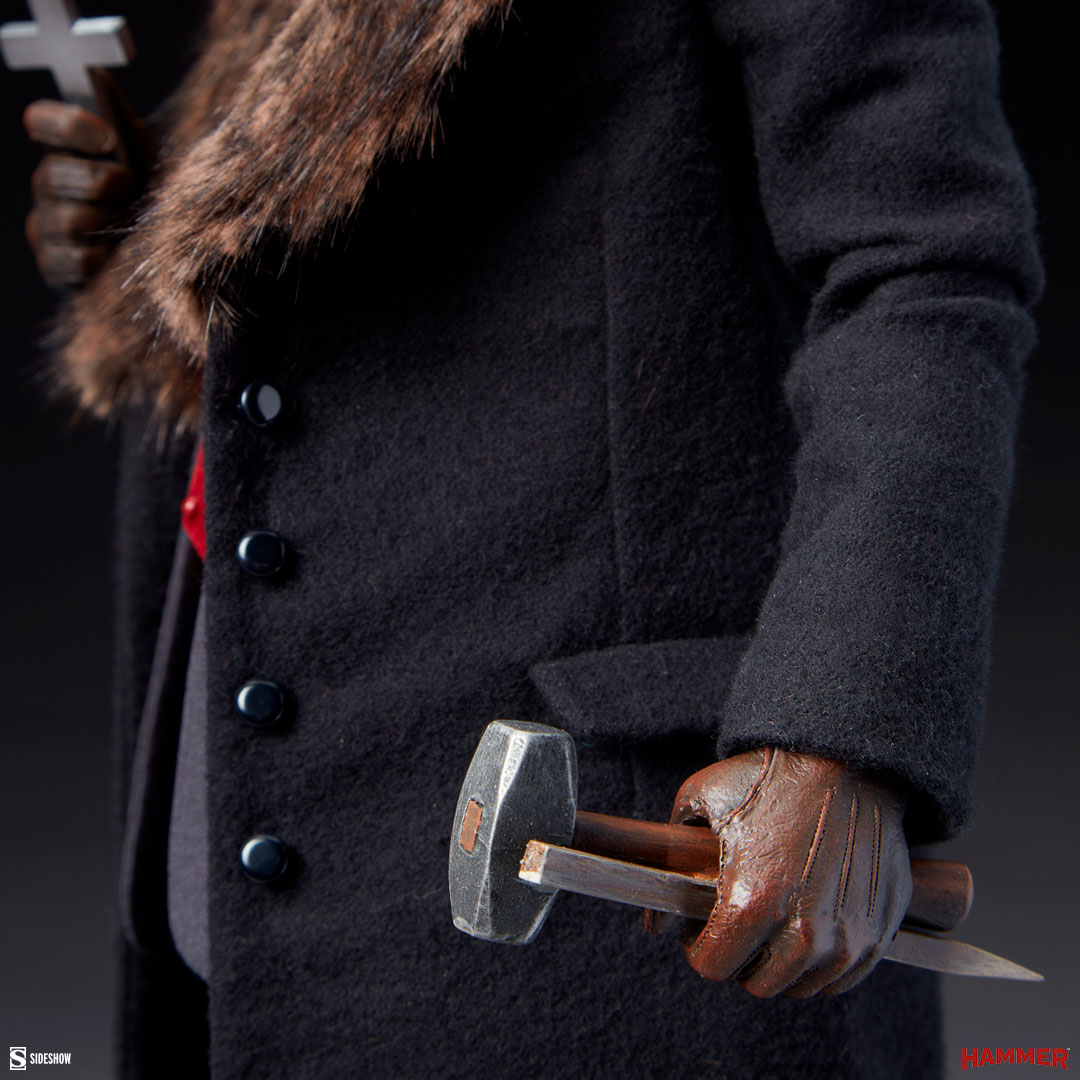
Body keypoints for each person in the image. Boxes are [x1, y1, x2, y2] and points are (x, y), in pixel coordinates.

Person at [22, 0, 1041, 1076]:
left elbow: (927, 264)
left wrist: (840, 730)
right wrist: (161, 239)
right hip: (238, 874)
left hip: (598, 898)